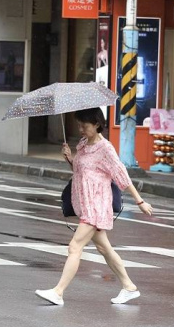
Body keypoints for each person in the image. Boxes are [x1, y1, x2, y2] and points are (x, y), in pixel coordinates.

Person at [35, 107, 153, 306]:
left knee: (75, 247)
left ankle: (58, 292)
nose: (80, 129)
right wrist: (69, 158)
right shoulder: (83, 144)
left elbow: (121, 175)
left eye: (84, 125)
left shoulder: (105, 148)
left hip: (97, 205)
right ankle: (129, 286)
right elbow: (81, 171)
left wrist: (140, 201)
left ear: (97, 124)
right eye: (79, 125)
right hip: (85, 203)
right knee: (103, 248)